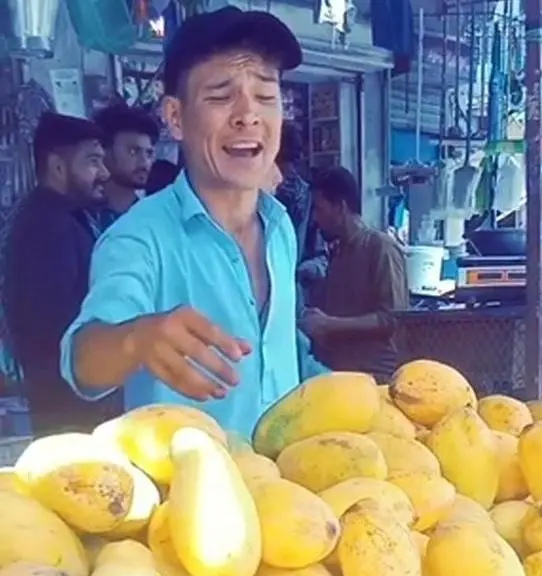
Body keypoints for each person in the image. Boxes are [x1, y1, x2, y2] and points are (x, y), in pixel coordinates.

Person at [58, 6, 315, 436]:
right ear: (175, 118)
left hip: (288, 491)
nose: (248, 115)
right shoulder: (139, 238)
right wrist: (136, 338)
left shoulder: (281, 227)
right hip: (190, 495)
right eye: (220, 95)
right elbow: (82, 360)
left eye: (267, 97)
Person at [2, 112, 121, 434]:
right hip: (69, 407)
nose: (105, 172)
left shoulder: (63, 218)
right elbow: (50, 323)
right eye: (93, 161)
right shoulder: (45, 226)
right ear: (57, 166)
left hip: (72, 399)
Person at [300, 166, 409, 382]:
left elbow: (393, 319)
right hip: (336, 378)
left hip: (374, 380)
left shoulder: (381, 248)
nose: (315, 219)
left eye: (319, 209)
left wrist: (329, 324)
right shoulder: (338, 253)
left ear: (340, 207)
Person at [273, 122, 329, 302]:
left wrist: (307, 269)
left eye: (292, 162)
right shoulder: (249, 196)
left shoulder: (308, 199)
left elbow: (322, 257)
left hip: (296, 297)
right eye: (281, 162)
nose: (287, 171)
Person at [90, 103, 159, 231]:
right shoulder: (84, 219)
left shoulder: (154, 218)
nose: (144, 163)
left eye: (148, 153)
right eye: (133, 151)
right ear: (104, 151)